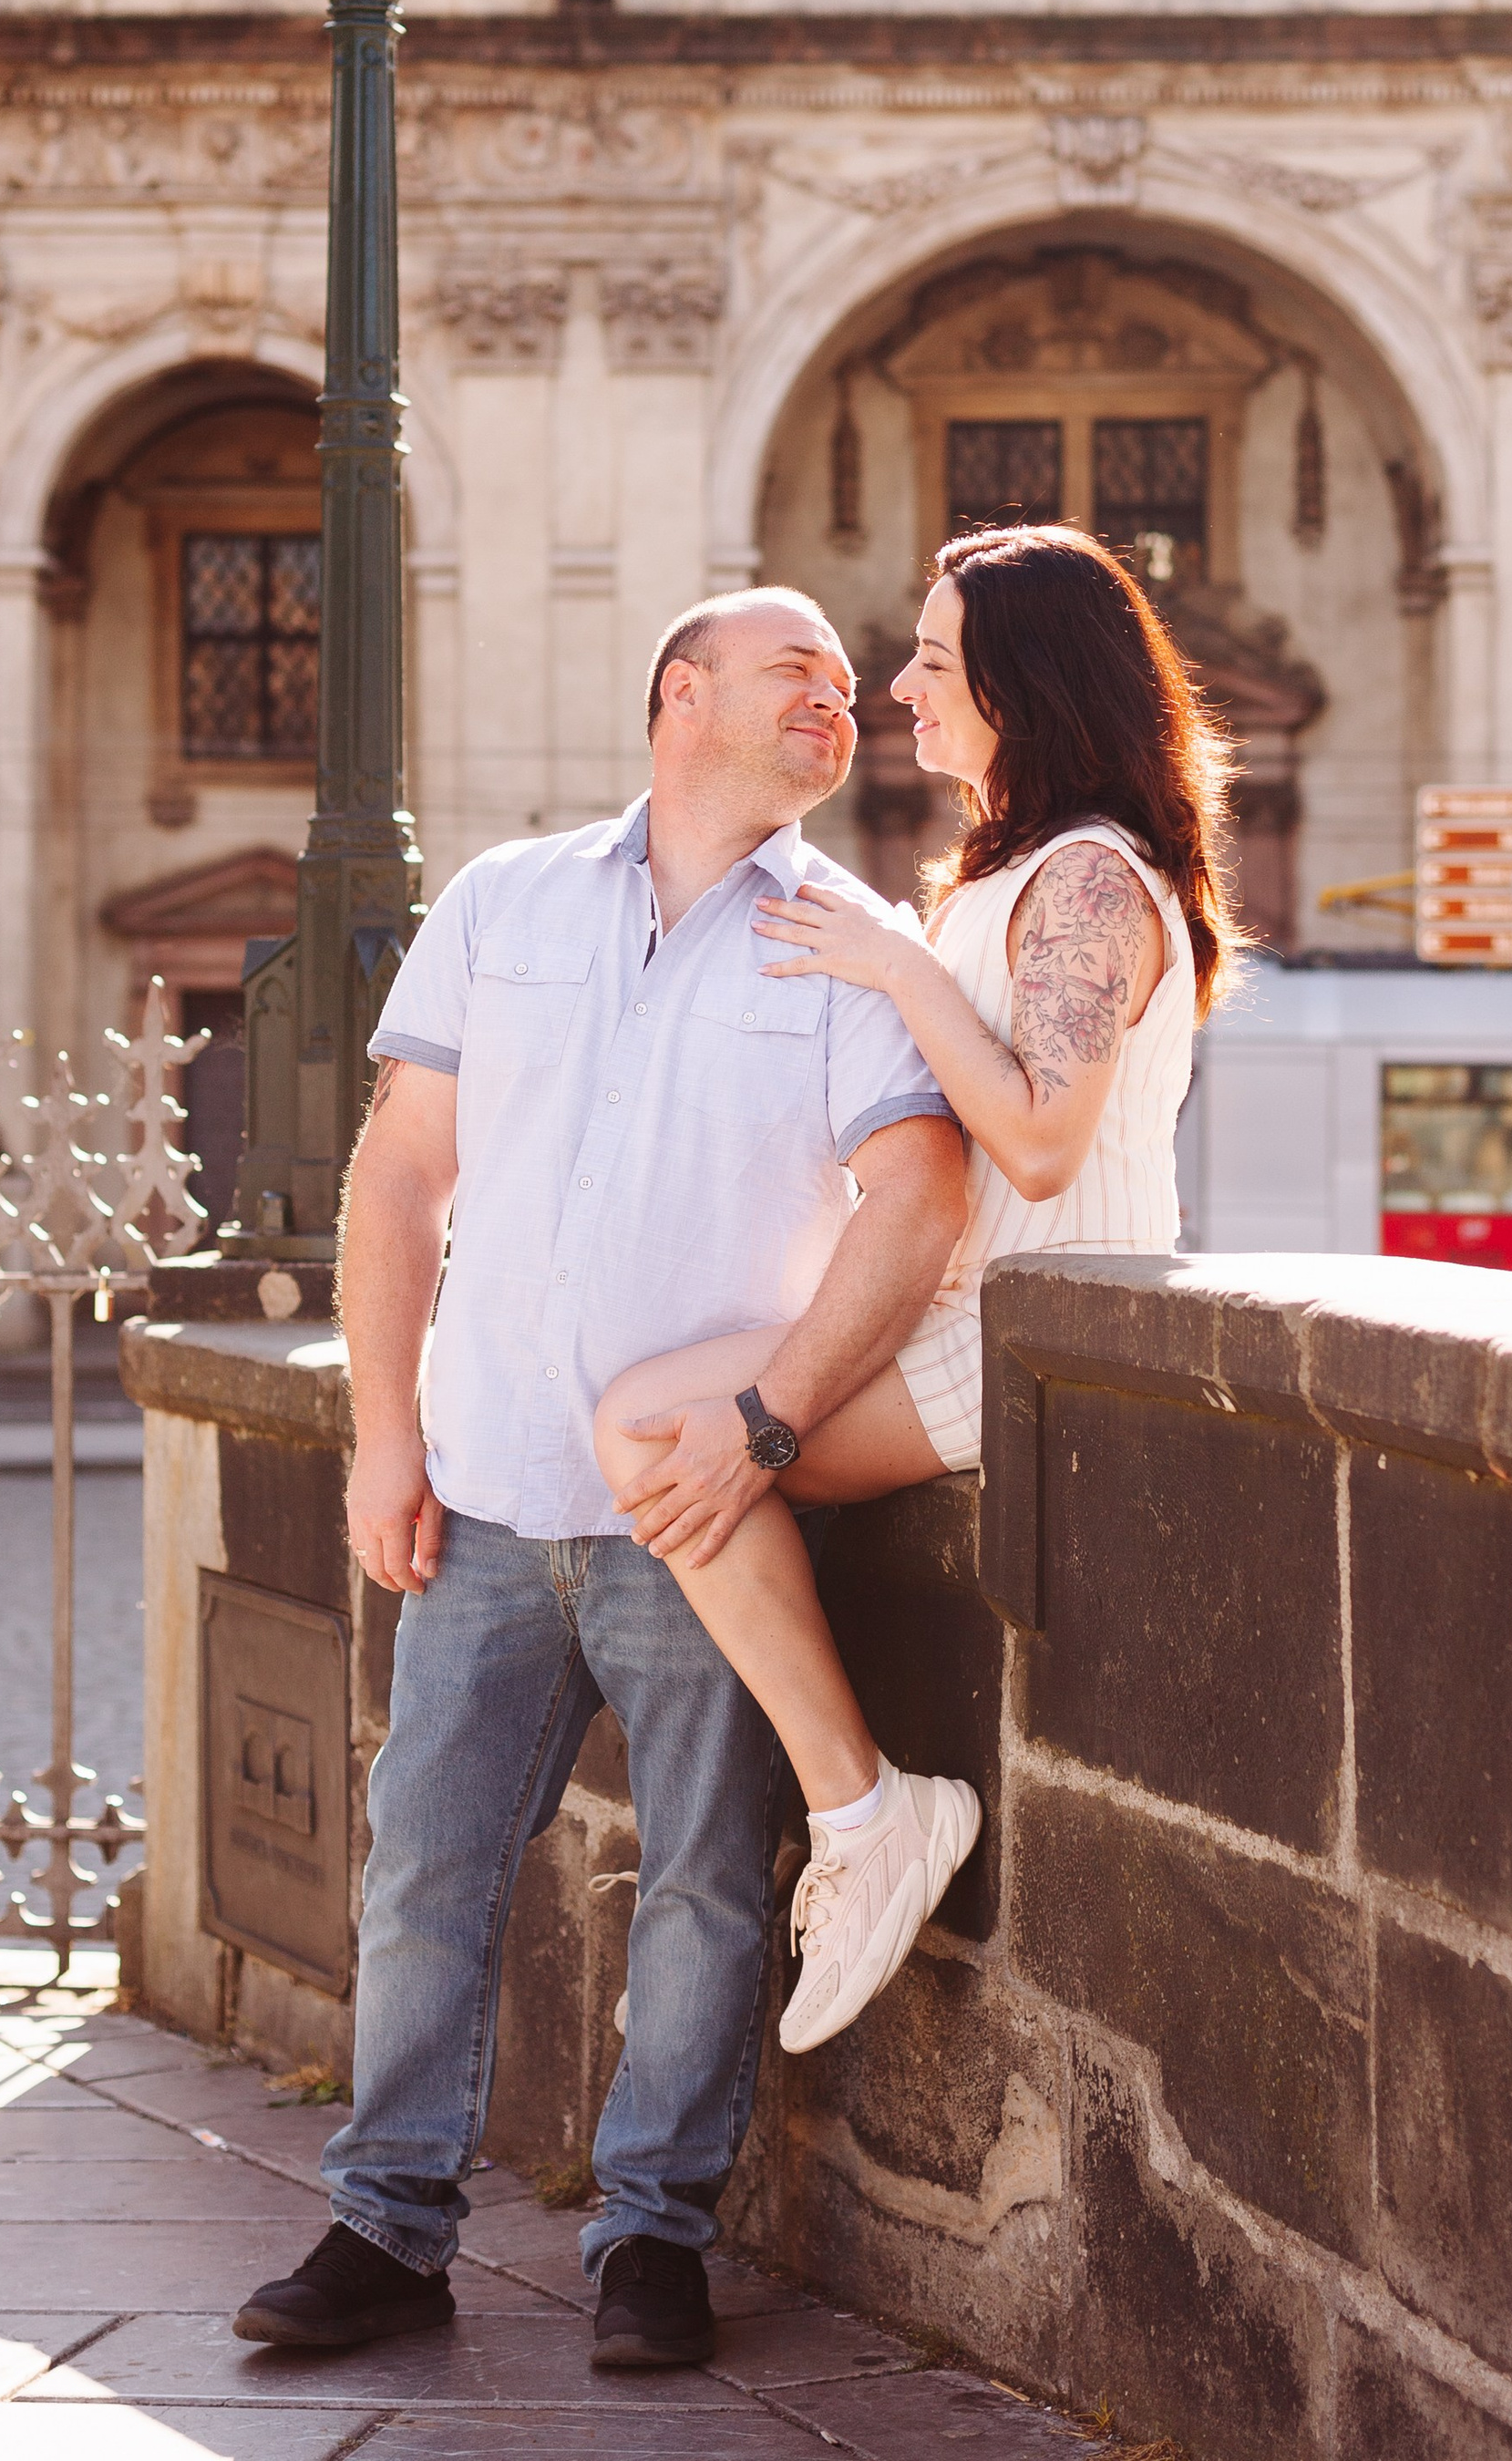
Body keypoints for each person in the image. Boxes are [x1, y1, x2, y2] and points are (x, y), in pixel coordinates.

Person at [233, 589, 970, 2371]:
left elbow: (919, 1199)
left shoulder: (848, 940)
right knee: (424, 1867)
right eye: (796, 674)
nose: (839, 700)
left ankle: (653, 2240)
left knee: (706, 1880)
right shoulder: (502, 901)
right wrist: (384, 1435)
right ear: (679, 693)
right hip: (483, 1488)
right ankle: (384, 2228)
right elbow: (399, 1175)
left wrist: (771, 1422)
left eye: (844, 685)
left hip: (692, 1511)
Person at [591, 523, 1233, 2054]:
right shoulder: (1018, 872)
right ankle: (828, 1820)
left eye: (935, 660)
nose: (899, 687)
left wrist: (895, 969)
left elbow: (1042, 1143)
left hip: (1035, 1334)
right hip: (975, 1318)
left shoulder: (1090, 879)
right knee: (660, 1426)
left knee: (659, 1432)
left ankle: (867, 1810)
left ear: (1024, 681)